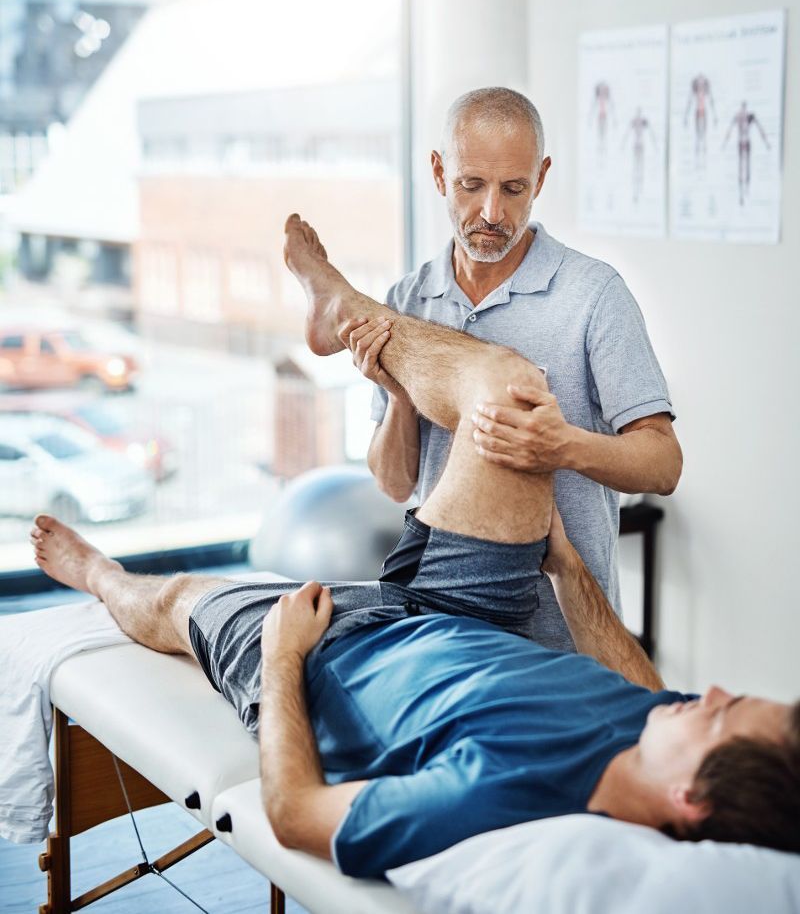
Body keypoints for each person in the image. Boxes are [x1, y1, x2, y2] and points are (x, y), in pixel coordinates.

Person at [30, 215, 798, 879]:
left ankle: (99, 574)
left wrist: (283, 655)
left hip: (333, 656)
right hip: (463, 608)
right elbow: (648, 685)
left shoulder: (510, 789)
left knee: (172, 600)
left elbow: (297, 816)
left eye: (723, 716)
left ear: (687, 798)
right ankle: (339, 304)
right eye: (470, 185)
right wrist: (565, 566)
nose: (716, 693)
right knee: (511, 387)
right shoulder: (659, 725)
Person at [364, 87, 683, 651]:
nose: (492, 213)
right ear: (439, 174)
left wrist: (561, 447)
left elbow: (663, 464)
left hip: (566, 637)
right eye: (471, 185)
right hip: (449, 626)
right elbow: (395, 484)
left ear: (540, 179)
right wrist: (397, 394)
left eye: (513, 189)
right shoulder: (408, 300)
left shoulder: (594, 295)